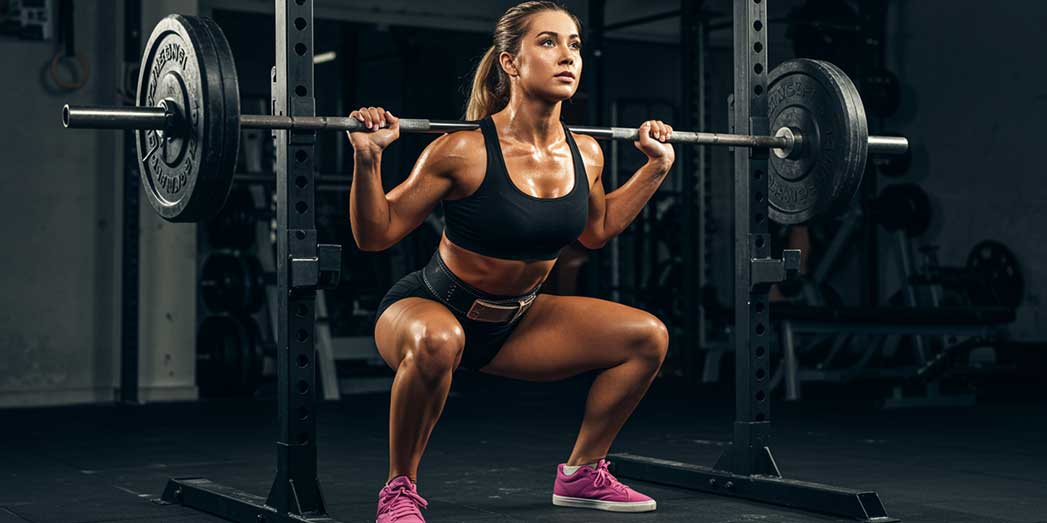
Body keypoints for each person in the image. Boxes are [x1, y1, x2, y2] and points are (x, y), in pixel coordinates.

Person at [347, 2, 675, 521]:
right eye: (548, 42)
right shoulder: (462, 150)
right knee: (439, 339)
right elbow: (375, 235)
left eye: (574, 45)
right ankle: (398, 489)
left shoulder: (587, 153)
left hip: (517, 320)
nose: (567, 56)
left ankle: (582, 473)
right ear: (510, 62)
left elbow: (597, 230)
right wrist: (368, 158)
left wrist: (656, 168)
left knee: (647, 338)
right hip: (430, 308)